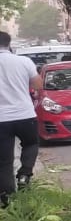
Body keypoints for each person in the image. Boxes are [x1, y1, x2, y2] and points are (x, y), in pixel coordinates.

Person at [0, 32, 41, 207]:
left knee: (4, 160)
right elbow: (38, 84)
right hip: (25, 114)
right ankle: (24, 175)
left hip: (1, 120)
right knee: (31, 144)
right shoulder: (23, 61)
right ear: (9, 44)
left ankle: (7, 197)